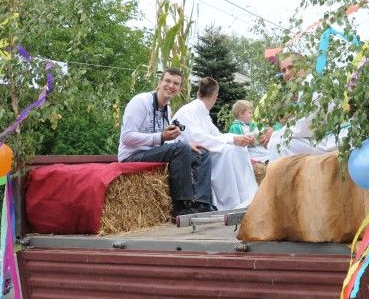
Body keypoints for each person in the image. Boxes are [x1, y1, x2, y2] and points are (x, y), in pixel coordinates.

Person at [117, 68, 213, 216]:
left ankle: (201, 204)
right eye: (167, 81)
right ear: (159, 83)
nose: (171, 85)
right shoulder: (141, 101)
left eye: (176, 83)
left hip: (151, 152)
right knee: (180, 148)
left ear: (180, 89)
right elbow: (127, 137)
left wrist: (186, 145)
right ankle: (181, 206)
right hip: (131, 155)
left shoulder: (166, 109)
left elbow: (165, 143)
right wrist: (161, 137)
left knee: (202, 154)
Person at [173, 77, 259, 211]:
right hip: (188, 151)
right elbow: (198, 138)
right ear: (216, 96)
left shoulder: (203, 113)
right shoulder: (190, 110)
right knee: (228, 151)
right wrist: (233, 140)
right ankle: (229, 203)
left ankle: (246, 198)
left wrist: (239, 138)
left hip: (202, 148)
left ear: (198, 92)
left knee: (237, 149)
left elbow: (217, 135)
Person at [267, 54, 341, 159]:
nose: (287, 73)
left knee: (279, 144)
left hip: (330, 141)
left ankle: (278, 175)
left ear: (304, 66)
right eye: (283, 70)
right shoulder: (305, 85)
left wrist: (275, 134)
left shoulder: (313, 82)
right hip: (323, 138)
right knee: (277, 142)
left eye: (290, 67)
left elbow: (307, 125)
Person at [229, 99, 272, 164]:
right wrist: (249, 141)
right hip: (249, 153)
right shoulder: (236, 127)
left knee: (271, 155)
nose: (252, 115)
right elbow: (236, 146)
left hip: (259, 149)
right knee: (264, 160)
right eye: (250, 113)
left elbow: (261, 130)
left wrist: (266, 132)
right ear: (241, 114)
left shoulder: (252, 124)